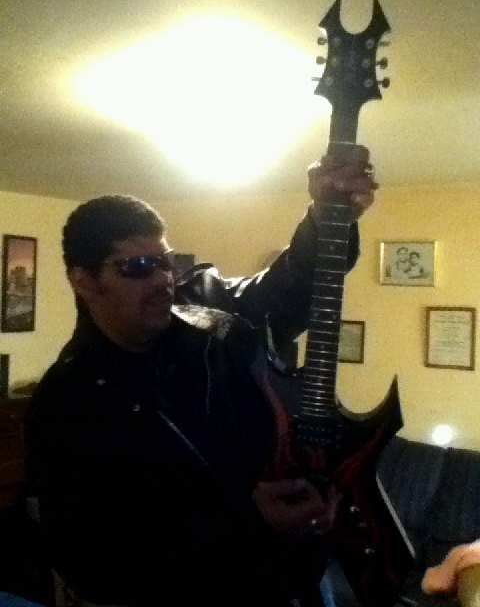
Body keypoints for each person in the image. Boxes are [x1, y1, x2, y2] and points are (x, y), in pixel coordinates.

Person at [24, 147, 376, 607]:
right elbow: (90, 561)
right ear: (83, 281)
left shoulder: (208, 314)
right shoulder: (65, 403)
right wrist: (245, 520)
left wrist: (327, 217)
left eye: (165, 261)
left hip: (295, 581)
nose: (163, 281)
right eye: (137, 267)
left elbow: (289, 288)